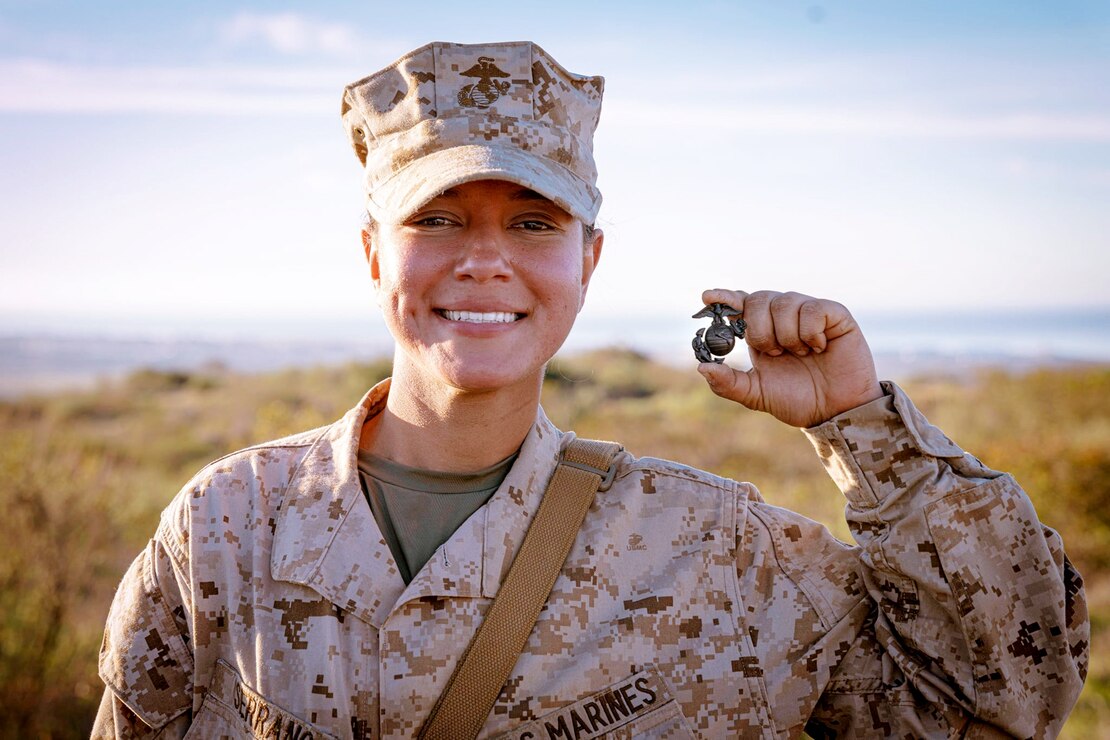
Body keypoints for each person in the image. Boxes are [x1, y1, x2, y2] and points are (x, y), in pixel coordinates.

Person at [93, 41, 1088, 739]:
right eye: (437, 218)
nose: (485, 259)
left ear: (589, 258)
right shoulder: (226, 529)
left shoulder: (713, 549)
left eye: (533, 222)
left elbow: (989, 709)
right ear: (370, 252)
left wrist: (863, 424)